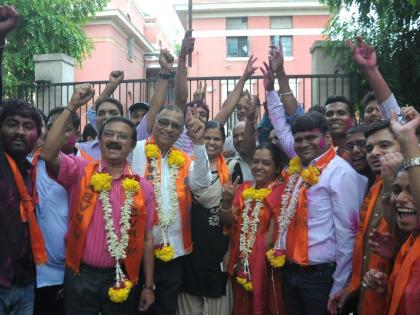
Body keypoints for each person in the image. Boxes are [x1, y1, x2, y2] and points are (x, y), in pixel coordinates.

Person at [41, 85, 156, 314]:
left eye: (122, 136)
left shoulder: (143, 187)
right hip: (81, 276)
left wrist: (149, 285)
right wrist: (72, 105)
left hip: (123, 276)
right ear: (99, 141)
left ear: (132, 145)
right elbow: (48, 153)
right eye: (109, 135)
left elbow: (147, 239)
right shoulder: (80, 171)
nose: (114, 140)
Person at [265, 108, 367, 315]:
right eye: (299, 139)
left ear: (328, 138)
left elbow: (348, 234)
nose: (303, 144)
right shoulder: (300, 171)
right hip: (292, 272)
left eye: (311, 137)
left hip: (322, 277)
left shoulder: (340, 173)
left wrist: (339, 284)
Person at [131, 104, 212, 314]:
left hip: (173, 252)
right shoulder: (135, 150)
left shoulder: (185, 158)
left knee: (165, 308)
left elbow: (202, 183)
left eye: (175, 125)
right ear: (154, 123)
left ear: (180, 131)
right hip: (136, 249)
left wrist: (199, 144)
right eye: (163, 122)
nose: (168, 128)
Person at [335, 120, 403, 315]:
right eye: (370, 148)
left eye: (385, 145)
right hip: (369, 297)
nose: (374, 153)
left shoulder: (412, 188)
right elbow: (362, 246)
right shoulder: (375, 187)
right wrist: (352, 286)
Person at [220, 142, 287, 315]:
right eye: (256, 161)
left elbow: (274, 235)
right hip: (239, 262)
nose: (258, 167)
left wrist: (252, 261)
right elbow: (228, 221)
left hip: (265, 267)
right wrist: (227, 201)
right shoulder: (244, 188)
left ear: (277, 167)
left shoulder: (281, 192)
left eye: (266, 163)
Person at [178, 120, 233, 315]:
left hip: (217, 248)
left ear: (223, 142)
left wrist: (230, 249)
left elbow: (235, 217)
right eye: (207, 138)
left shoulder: (232, 170)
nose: (211, 142)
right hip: (189, 248)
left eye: (216, 138)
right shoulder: (186, 166)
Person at [33, 107, 80, 315]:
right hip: (36, 273)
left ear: (76, 134)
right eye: (51, 128)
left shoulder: (84, 167)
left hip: (71, 272)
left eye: (65, 128)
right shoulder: (27, 163)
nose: (57, 134)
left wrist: (73, 104)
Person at [0, 99, 44, 315]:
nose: (19, 131)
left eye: (28, 126)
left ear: (37, 136)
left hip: (24, 281)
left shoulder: (28, 170)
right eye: (12, 124)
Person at [362, 166, 420, 315]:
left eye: (413, 190)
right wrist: (387, 289)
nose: (400, 198)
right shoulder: (408, 245)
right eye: (396, 190)